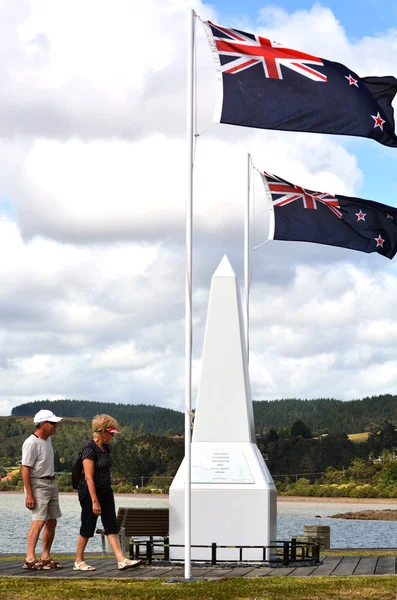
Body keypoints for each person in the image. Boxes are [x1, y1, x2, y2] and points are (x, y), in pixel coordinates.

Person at [74, 414, 141, 571]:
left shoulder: (106, 448)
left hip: (106, 491)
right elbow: (89, 478)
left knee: (111, 525)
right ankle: (78, 561)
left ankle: (121, 559)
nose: (112, 436)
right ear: (102, 431)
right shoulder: (89, 450)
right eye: (110, 433)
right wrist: (95, 501)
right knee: (88, 525)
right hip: (90, 493)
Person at [21, 409, 63, 570]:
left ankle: (45, 556)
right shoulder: (31, 442)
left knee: (52, 520)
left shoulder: (48, 440)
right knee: (38, 521)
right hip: (38, 484)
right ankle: (29, 557)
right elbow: (25, 469)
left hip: (51, 483)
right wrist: (29, 494)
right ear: (43, 424)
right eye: (53, 423)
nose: (56, 426)